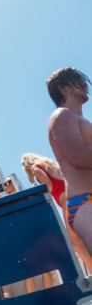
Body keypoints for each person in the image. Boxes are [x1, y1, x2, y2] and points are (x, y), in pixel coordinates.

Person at [47, 67, 92, 260]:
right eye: (77, 80)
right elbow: (78, 157)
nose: (84, 85)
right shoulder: (62, 116)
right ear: (63, 89)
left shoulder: (78, 119)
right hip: (85, 202)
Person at [22, 151, 92, 274]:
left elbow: (48, 186)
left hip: (65, 200)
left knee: (74, 241)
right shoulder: (50, 164)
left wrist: (37, 194)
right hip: (75, 195)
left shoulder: (35, 168)